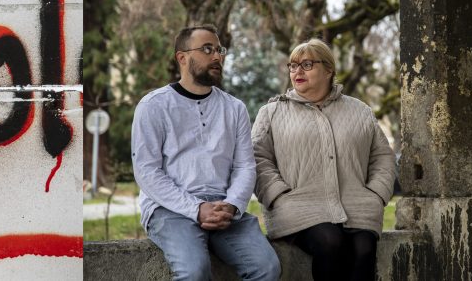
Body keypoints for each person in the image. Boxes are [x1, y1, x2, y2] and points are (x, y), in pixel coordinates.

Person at [132, 25, 281, 281]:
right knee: (194, 271)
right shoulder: (154, 106)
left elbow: (245, 166)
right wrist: (196, 208)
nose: (217, 57)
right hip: (170, 209)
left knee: (267, 268)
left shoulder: (235, 108)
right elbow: (147, 171)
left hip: (224, 207)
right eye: (207, 49)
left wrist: (233, 205)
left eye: (219, 50)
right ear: (182, 57)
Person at [252, 39, 396, 281]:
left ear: (329, 69)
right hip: (297, 207)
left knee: (364, 249)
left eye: (306, 64)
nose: (297, 71)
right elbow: (257, 157)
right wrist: (278, 194)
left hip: (357, 206)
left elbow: (383, 156)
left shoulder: (360, 111)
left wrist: (376, 193)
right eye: (293, 65)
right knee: (330, 242)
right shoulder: (272, 112)